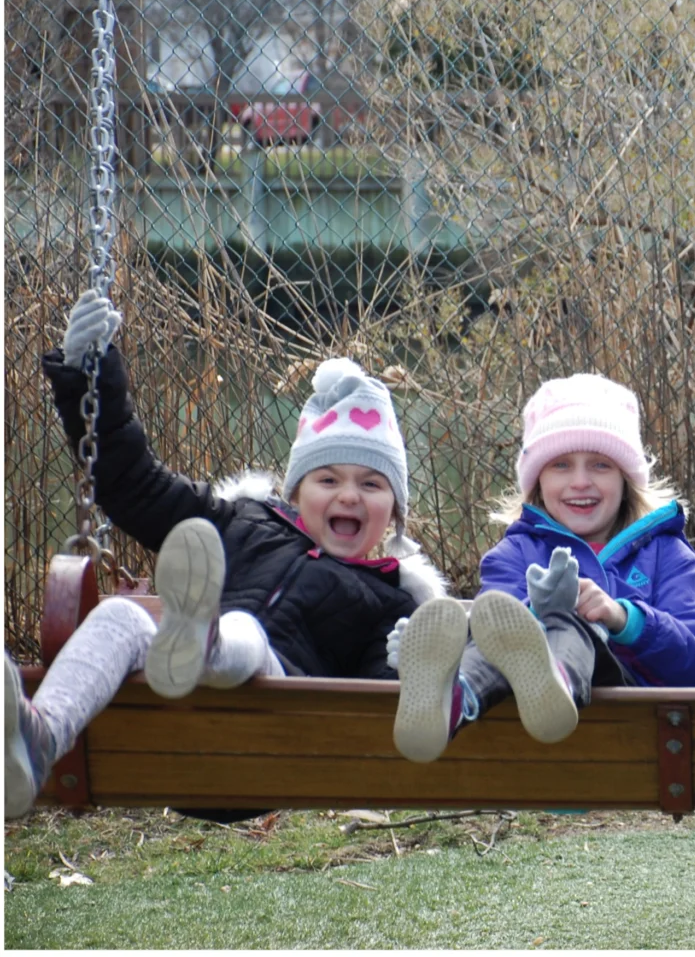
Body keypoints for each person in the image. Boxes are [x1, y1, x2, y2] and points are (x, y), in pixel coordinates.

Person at [4, 291, 450, 820]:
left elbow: (374, 726)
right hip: (170, 736)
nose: (349, 495)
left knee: (246, 633)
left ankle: (205, 638)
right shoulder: (238, 521)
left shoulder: (391, 602)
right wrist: (89, 379)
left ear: (395, 513)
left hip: (268, 742)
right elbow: (134, 485)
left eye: (372, 484)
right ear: (295, 493)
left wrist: (408, 664)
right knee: (120, 616)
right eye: (328, 480)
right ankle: (39, 740)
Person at [389, 373, 695, 761]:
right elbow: (498, 632)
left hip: (633, 725)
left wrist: (621, 617)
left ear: (625, 480)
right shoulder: (515, 553)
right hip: (524, 727)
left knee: (572, 623)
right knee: (501, 631)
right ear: (539, 481)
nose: (580, 482)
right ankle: (452, 699)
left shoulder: (666, 553)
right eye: (561, 465)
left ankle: (557, 682)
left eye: (600, 465)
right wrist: (535, 611)